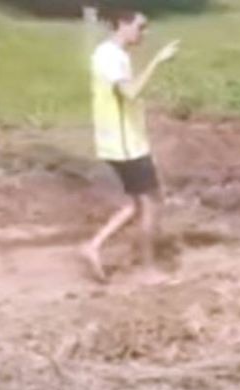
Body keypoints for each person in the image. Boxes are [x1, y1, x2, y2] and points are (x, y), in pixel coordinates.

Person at [80, 8, 179, 284]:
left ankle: (94, 246)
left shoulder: (110, 54)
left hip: (122, 141)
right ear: (122, 24)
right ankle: (148, 269)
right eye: (140, 26)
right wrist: (158, 61)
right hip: (125, 145)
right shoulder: (111, 57)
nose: (143, 33)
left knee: (137, 204)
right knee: (151, 203)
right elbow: (131, 92)